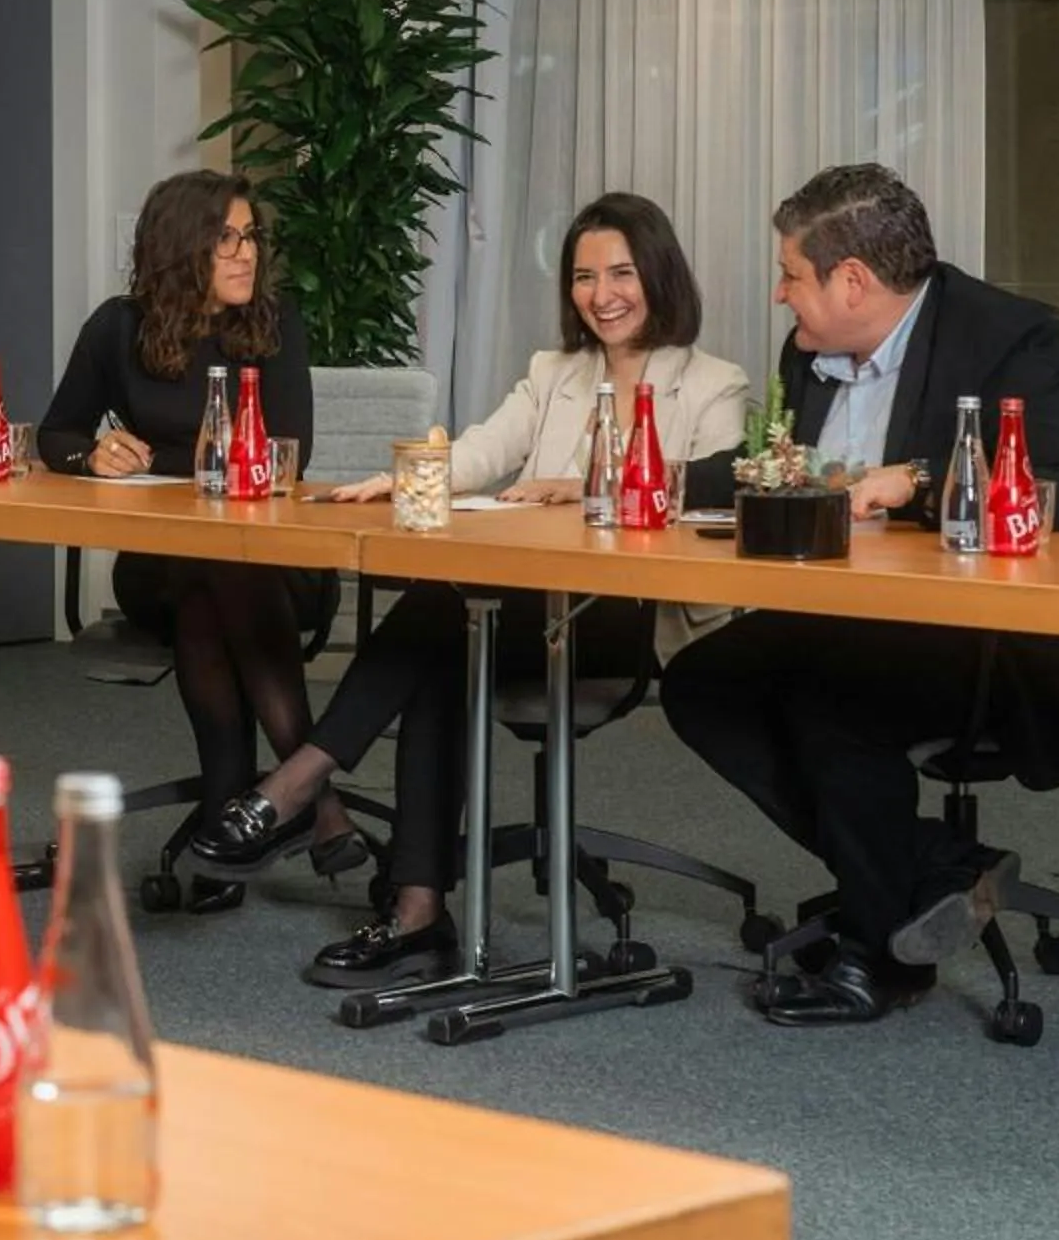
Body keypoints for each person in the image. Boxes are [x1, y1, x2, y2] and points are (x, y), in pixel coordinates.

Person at [188, 193, 750, 990]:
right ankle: (416, 914)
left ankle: (301, 785)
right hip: (524, 607)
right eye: (585, 277)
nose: (603, 294)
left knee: (445, 614)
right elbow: (483, 450)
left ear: (659, 274)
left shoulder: (713, 383)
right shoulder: (554, 374)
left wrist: (586, 484)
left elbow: (719, 497)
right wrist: (402, 477)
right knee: (449, 638)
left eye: (622, 272)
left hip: (624, 618)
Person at [660, 162, 1059, 1027]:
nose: (781, 296)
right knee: (703, 683)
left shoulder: (1007, 338)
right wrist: (661, 484)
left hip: (1000, 639)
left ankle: (877, 952)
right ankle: (923, 875)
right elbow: (793, 469)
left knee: (832, 696)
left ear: (851, 281)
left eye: (790, 274)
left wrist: (919, 484)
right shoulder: (810, 355)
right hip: (855, 619)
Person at [39, 171, 349, 905]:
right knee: (208, 571)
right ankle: (304, 795)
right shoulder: (119, 327)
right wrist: (96, 454)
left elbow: (283, 454)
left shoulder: (276, 323)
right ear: (182, 251)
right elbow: (58, 431)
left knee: (223, 577)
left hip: (277, 564)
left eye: (251, 237)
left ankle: (228, 815)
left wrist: (168, 456)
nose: (247, 254)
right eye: (227, 240)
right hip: (161, 566)